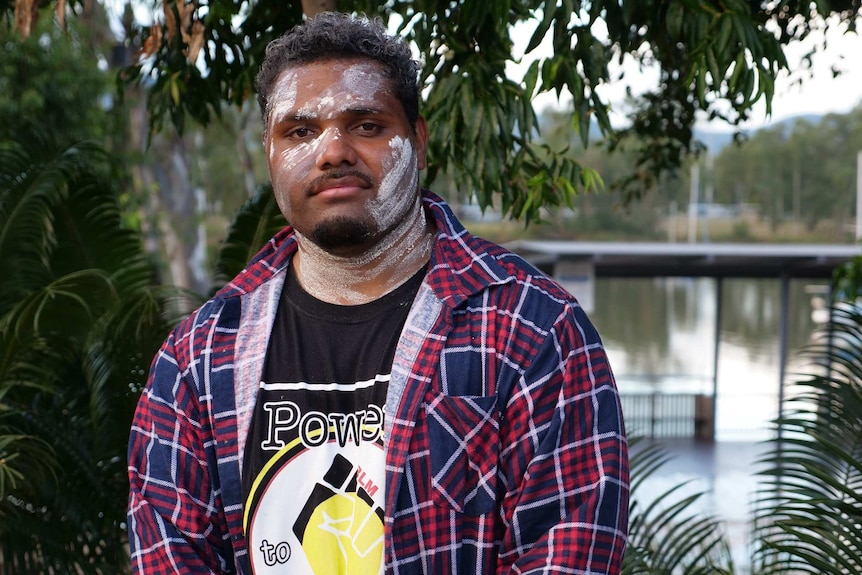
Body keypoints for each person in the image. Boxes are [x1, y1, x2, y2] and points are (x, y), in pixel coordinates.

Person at [127, 11, 629, 575]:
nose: (333, 151)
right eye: (300, 131)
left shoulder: (533, 329)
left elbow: (567, 551)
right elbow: (171, 556)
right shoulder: (198, 356)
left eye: (366, 126)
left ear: (417, 139)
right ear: (269, 152)